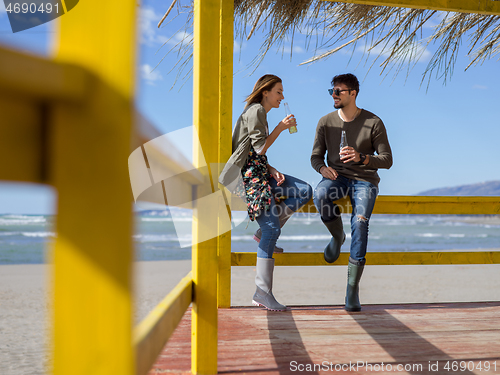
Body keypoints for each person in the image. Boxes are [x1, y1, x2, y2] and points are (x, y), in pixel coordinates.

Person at [219, 74, 313, 311]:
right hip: (248, 177)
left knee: (303, 190)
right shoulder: (256, 111)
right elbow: (259, 147)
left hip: (261, 170)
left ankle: (263, 233)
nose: (282, 96)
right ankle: (262, 292)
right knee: (273, 228)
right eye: (279, 92)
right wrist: (281, 128)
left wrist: (271, 168)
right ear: (265, 92)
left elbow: (253, 150)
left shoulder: (258, 113)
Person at [311, 73, 393, 312]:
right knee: (320, 195)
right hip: (336, 177)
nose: (334, 95)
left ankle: (352, 288)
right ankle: (337, 237)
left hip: (364, 180)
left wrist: (362, 157)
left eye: (339, 91)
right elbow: (315, 156)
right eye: (332, 91)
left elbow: (387, 160)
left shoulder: (373, 122)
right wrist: (322, 168)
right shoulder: (325, 122)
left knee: (360, 222)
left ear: (353, 93)